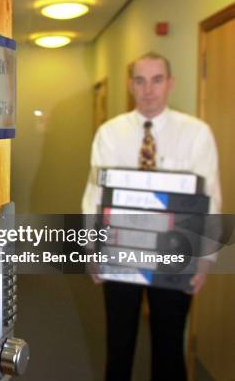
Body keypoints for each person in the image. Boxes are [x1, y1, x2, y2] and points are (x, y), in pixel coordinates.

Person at [81, 52, 222, 381]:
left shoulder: (196, 133)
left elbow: (211, 198)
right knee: (118, 346)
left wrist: (205, 259)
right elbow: (94, 196)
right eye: (140, 81)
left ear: (170, 83)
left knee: (170, 348)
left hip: (175, 255)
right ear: (131, 85)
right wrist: (91, 249)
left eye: (157, 79)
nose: (149, 89)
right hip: (120, 252)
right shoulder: (109, 133)